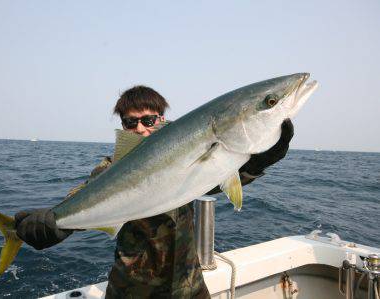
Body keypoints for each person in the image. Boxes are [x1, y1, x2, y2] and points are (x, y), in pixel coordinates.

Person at [15, 86, 294, 298]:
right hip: (132, 290)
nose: (139, 128)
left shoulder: (190, 153)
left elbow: (219, 176)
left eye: (148, 121)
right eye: (129, 123)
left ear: (162, 120)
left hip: (189, 286)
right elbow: (87, 196)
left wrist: (258, 161)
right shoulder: (111, 168)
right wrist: (54, 224)